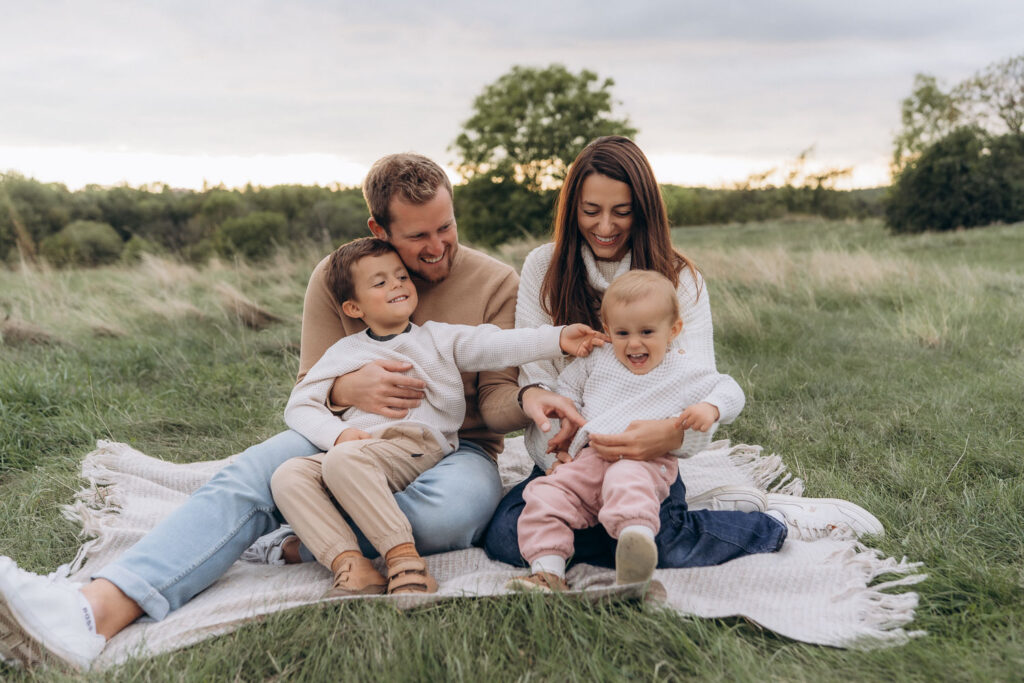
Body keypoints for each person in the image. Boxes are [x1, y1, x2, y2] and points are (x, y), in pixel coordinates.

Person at [0, 152, 582, 672]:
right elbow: (310, 390)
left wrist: (529, 401)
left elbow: (494, 398)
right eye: (416, 236)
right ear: (378, 229)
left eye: (446, 227)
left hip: (456, 450)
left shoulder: (494, 282)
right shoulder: (340, 276)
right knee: (258, 474)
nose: (436, 249)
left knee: (448, 518)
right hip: (352, 438)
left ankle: (294, 540)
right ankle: (93, 610)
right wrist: (350, 390)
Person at [483, 135, 884, 571]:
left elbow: (700, 387)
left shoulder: (680, 279)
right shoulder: (545, 267)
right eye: (590, 211)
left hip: (647, 460)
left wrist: (668, 436)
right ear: (572, 209)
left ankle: (775, 522)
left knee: (655, 535)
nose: (605, 226)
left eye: (622, 211)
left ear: (643, 209)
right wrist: (561, 453)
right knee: (507, 537)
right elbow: (537, 377)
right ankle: (647, 533)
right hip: (572, 461)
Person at [272, 237, 603, 597]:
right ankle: (350, 564)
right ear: (353, 308)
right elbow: (300, 404)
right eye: (380, 282)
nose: (396, 285)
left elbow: (496, 344)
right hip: (359, 449)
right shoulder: (344, 352)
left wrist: (558, 339)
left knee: (343, 461)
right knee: (288, 475)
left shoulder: (437, 339)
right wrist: (337, 435)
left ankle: (404, 561)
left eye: (401, 276)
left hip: (416, 445)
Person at [508, 271, 746, 591]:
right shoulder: (597, 360)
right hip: (590, 458)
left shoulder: (683, 368)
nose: (634, 343)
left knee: (627, 483)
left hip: (643, 460)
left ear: (673, 330)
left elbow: (729, 388)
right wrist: (568, 431)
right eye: (622, 333)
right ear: (607, 330)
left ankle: (635, 548)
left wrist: (711, 408)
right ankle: (548, 572)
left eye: (647, 331)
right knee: (544, 494)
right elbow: (568, 392)